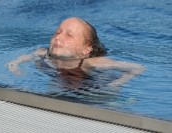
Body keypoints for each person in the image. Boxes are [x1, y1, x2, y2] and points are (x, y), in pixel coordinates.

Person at [8, 17, 145, 87]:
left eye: (69, 35)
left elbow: (138, 68)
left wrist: (114, 85)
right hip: (62, 86)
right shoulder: (43, 53)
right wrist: (14, 66)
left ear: (86, 49)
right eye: (58, 32)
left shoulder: (89, 62)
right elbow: (19, 60)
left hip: (89, 92)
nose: (58, 37)